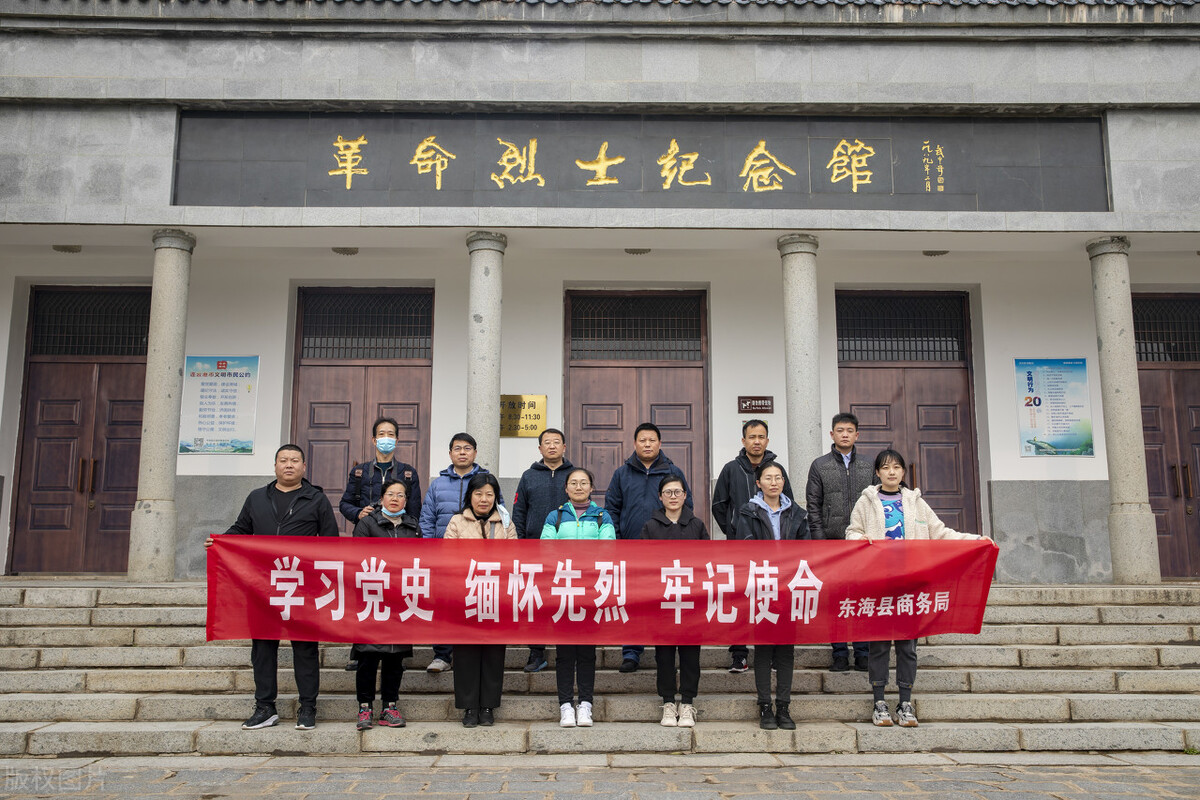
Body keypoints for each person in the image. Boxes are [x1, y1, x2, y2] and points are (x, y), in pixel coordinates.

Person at [845, 448, 996, 729]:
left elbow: (941, 533)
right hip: (879, 584)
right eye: (886, 467)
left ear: (903, 472)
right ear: (877, 472)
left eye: (897, 467)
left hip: (911, 585)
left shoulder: (916, 503)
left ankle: (905, 702)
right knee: (878, 645)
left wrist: (974, 540)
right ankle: (879, 702)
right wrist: (859, 538)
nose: (891, 472)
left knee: (907, 647)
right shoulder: (866, 502)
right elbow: (852, 531)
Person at [204, 444, 339, 732]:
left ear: (304, 467)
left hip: (302, 586)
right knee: (263, 647)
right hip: (262, 585)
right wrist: (220, 543)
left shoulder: (316, 499)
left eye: (294, 461)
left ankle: (308, 707)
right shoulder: (256, 498)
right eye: (283, 460)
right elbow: (241, 529)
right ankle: (265, 707)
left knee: (305, 648)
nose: (288, 465)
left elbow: (331, 542)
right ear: (275, 465)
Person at [605, 422, 692, 673]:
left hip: (665, 550)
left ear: (659, 444)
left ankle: (664, 646)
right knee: (633, 600)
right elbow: (612, 508)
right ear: (635, 444)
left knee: (665, 598)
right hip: (631, 548)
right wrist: (618, 541)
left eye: (652, 440)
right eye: (642, 440)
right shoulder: (622, 474)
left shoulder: (672, 471)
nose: (647, 444)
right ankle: (631, 651)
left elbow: (687, 507)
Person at [339, 416, 422, 671]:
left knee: (396, 596)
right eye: (381, 434)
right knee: (366, 596)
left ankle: (395, 649)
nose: (386, 438)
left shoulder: (407, 472)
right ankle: (361, 651)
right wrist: (358, 514)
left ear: (397, 440)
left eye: (391, 434)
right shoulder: (360, 471)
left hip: (398, 543)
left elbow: (416, 509)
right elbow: (345, 504)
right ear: (374, 439)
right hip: (368, 541)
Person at [711, 418, 794, 674]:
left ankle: (768, 653)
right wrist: (735, 531)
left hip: (773, 553)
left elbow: (788, 503)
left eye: (761, 437)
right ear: (743, 440)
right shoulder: (730, 469)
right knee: (740, 600)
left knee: (769, 600)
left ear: (767, 440)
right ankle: (739, 654)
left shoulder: (776, 470)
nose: (756, 441)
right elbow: (718, 505)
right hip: (739, 552)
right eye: (752, 437)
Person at [732, 461, 809, 731]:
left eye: (778, 478)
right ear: (759, 483)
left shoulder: (798, 513)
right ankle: (765, 705)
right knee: (763, 648)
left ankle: (784, 707)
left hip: (789, 587)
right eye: (768, 478)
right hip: (761, 586)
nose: (774, 482)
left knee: (786, 650)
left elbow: (806, 550)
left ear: (784, 482)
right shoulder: (747, 512)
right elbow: (742, 546)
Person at [419, 433, 504, 674]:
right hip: (445, 555)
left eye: (468, 448)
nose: (463, 452)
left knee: (477, 603)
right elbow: (427, 518)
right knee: (446, 605)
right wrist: (428, 550)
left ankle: (474, 652)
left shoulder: (486, 480)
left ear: (475, 453)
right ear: (450, 454)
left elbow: (501, 514)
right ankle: (442, 655)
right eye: (457, 448)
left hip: (481, 559)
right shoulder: (438, 484)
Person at [540, 467, 615, 727]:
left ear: (592, 488)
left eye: (584, 482)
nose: (579, 487)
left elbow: (608, 550)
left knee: (586, 651)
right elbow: (546, 549)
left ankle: (585, 704)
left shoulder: (603, 516)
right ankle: (565, 705)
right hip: (563, 591)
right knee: (564, 653)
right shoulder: (555, 516)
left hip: (591, 593)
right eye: (574, 483)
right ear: (566, 488)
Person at [444, 472, 516, 727]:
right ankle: (468, 707)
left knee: (494, 653)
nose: (484, 499)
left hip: (496, 597)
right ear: (469, 496)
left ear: (496, 497)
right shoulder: (456, 521)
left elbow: (513, 559)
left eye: (489, 494)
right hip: (465, 596)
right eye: (478, 494)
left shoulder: (506, 522)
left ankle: (488, 706)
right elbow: (448, 558)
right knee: (465, 653)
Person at [806, 412, 874, 673]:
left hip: (862, 543)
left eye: (849, 430)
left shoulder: (870, 465)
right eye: (840, 430)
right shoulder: (820, 465)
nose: (844, 434)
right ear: (832, 434)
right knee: (836, 599)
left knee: (862, 598)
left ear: (857, 435)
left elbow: (878, 503)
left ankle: (863, 651)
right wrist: (820, 542)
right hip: (832, 543)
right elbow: (813, 506)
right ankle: (839, 653)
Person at [640, 475, 708, 728]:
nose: (672, 496)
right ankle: (668, 702)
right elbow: (644, 564)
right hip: (663, 601)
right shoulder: (650, 527)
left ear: (685, 495)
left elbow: (707, 562)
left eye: (677, 492)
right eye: (667, 492)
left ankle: (688, 703)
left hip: (691, 601)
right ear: (660, 497)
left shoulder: (697, 525)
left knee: (691, 654)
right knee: (664, 655)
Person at [351, 480, 418, 730]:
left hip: (401, 601)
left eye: (401, 495)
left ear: (406, 500)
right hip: (372, 598)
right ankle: (364, 708)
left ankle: (390, 706)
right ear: (381, 498)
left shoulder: (413, 527)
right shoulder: (367, 524)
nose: (395, 498)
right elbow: (357, 559)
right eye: (390, 494)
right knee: (368, 658)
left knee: (394, 658)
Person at [511, 428, 574, 675]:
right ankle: (537, 652)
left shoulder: (574, 475)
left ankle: (566, 650)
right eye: (546, 443)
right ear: (539, 449)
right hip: (535, 550)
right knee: (535, 602)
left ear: (564, 447)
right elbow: (519, 512)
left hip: (568, 553)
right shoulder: (529, 476)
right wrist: (522, 544)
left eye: (556, 442)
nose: (551, 447)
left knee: (565, 600)